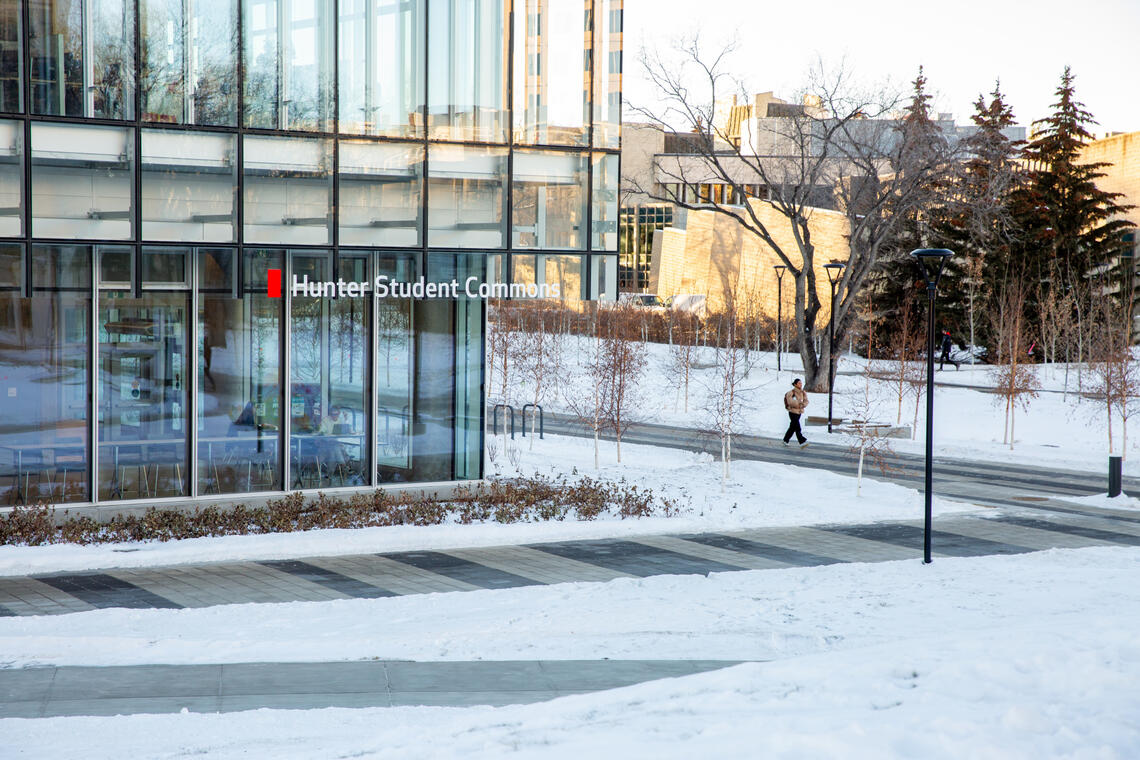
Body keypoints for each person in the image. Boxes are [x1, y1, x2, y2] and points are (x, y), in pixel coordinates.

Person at [783, 378, 809, 448]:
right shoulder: (791, 392)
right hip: (792, 412)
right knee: (797, 427)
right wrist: (799, 404)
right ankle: (802, 441)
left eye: (801, 383)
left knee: (792, 427)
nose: (800, 384)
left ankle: (785, 440)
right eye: (799, 383)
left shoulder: (803, 392)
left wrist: (803, 404)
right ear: (795, 384)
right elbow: (790, 402)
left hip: (799, 412)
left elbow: (806, 401)